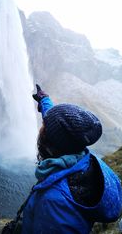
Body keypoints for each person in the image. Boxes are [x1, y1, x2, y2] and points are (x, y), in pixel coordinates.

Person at [21, 84, 122, 234]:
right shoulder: (84, 157)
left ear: (51, 145)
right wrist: (44, 100)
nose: (41, 128)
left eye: (44, 127)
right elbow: (59, 126)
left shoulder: (54, 201)